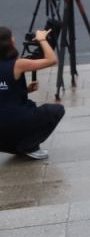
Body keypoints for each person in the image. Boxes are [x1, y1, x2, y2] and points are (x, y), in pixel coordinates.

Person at [0, 26, 64, 160]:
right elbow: (51, 60)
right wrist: (42, 40)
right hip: (15, 125)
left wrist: (26, 89)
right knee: (55, 110)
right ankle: (30, 146)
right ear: (8, 43)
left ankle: (17, 145)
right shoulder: (17, 64)